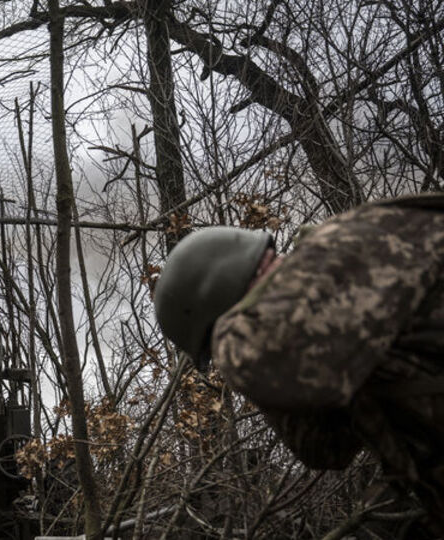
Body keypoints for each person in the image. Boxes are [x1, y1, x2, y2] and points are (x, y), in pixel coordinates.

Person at [153, 193, 444, 532]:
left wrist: (231, 340)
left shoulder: (338, 256)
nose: (223, 362)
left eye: (217, 346)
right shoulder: (320, 327)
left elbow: (256, 359)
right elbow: (323, 448)